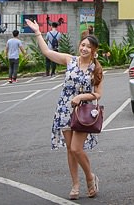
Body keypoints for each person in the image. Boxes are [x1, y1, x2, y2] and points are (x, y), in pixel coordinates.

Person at [25, 18, 103, 200]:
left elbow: (98, 94)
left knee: (76, 148)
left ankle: (90, 177)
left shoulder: (96, 69)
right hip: (64, 108)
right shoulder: (70, 60)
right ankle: (75, 184)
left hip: (83, 111)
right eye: (82, 45)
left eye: (88, 47)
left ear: (94, 51)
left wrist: (81, 97)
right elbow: (47, 51)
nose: (84, 49)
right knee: (69, 149)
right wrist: (37, 32)